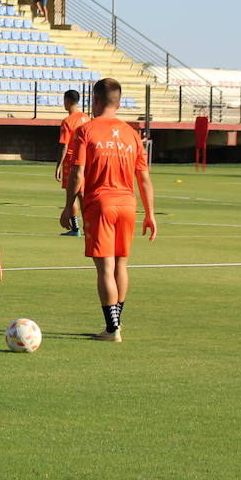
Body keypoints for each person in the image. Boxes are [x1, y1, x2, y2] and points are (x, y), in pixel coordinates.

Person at [62, 78, 157, 342]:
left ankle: (111, 329)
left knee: (105, 267)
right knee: (121, 264)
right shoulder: (132, 134)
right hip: (128, 204)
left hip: (100, 204)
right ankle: (117, 322)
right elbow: (145, 179)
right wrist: (149, 214)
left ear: (95, 100)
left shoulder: (86, 131)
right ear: (119, 101)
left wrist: (69, 207)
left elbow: (77, 174)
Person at [55, 88, 88, 235]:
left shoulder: (67, 121)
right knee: (83, 193)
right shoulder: (87, 118)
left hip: (71, 159)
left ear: (67, 101)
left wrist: (58, 166)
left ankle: (76, 228)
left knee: (73, 193)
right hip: (86, 159)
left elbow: (64, 145)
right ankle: (88, 225)